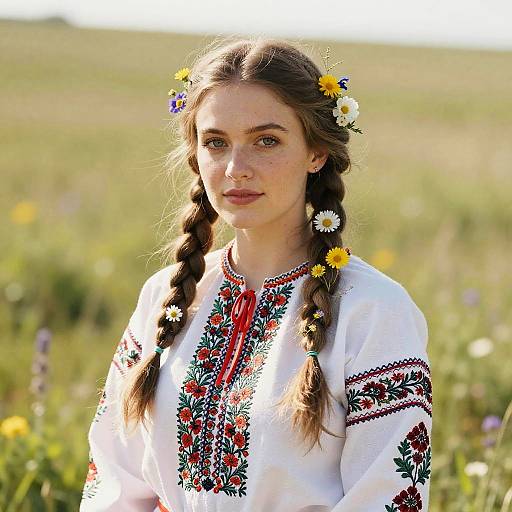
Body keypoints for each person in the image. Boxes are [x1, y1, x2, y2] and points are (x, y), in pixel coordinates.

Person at [79, 37, 432, 512]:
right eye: (216, 143)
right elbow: (115, 480)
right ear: (195, 153)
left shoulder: (373, 311)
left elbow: (390, 499)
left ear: (316, 153)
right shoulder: (164, 296)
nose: (235, 169)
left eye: (267, 141)